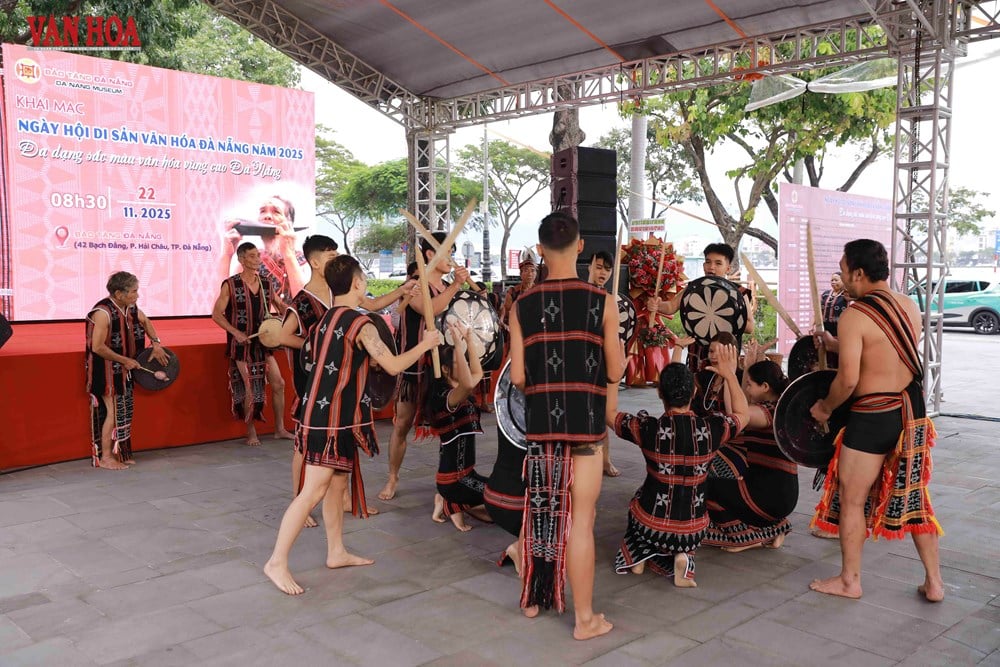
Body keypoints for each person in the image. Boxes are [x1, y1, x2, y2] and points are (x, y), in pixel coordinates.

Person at [263, 256, 442, 596]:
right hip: (329, 421)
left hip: (328, 416)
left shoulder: (327, 319)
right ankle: (276, 561)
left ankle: (336, 551)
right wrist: (425, 344)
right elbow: (391, 366)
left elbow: (364, 324)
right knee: (312, 491)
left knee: (337, 486)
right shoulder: (362, 325)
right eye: (365, 281)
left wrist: (401, 293)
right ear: (358, 283)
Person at [808, 239, 944, 602]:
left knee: (852, 499)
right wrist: (834, 343)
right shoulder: (908, 305)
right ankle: (934, 582)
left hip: (873, 416)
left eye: (842, 270)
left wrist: (824, 407)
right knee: (915, 497)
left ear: (858, 272)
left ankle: (850, 581)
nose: (841, 277)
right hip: (911, 413)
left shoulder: (855, 314)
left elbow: (848, 380)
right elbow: (883, 348)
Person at [509, 211, 623, 640]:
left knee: (541, 513)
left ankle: (536, 598)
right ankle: (585, 619)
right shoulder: (602, 301)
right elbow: (614, 371)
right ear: (579, 247)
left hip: (541, 429)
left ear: (539, 250)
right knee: (580, 521)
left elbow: (518, 378)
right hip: (586, 431)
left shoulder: (522, 304)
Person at [280, 236, 416, 524]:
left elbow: (374, 304)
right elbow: (281, 335)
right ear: (315, 263)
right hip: (312, 381)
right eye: (329, 256)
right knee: (305, 445)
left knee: (343, 437)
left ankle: (342, 498)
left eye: (336, 255)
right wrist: (314, 345)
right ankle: (298, 501)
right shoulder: (304, 300)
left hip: (342, 384)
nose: (335, 260)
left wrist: (402, 290)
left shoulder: (340, 296)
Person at [606, 348, 748, 586]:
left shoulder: (647, 428)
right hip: (693, 528)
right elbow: (743, 413)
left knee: (638, 500)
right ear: (694, 392)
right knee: (686, 511)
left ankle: (640, 556)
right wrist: (730, 376)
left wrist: (614, 377)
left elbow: (609, 413)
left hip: (653, 526)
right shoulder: (712, 429)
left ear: (660, 393)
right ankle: (683, 555)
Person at [379, 232, 471, 500]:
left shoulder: (447, 286)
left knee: (450, 425)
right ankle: (392, 478)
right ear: (430, 255)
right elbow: (430, 310)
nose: (451, 259)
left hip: (445, 367)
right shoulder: (415, 285)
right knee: (402, 424)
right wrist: (455, 286)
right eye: (447, 253)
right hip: (414, 365)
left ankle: (448, 484)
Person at [703, 357, 797, 552]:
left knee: (703, 487)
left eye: (749, 384)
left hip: (766, 497)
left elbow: (738, 413)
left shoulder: (768, 414)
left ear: (764, 386)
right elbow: (741, 408)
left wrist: (730, 376)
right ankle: (775, 527)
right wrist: (745, 370)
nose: (746, 389)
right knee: (723, 485)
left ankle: (746, 537)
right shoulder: (782, 407)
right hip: (781, 496)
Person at [212, 242, 294, 446]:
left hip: (264, 342)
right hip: (242, 344)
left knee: (279, 383)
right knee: (250, 387)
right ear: (241, 260)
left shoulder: (266, 282)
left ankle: (279, 429)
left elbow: (279, 304)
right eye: (252, 256)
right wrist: (235, 332)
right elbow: (216, 314)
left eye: (258, 255)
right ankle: (251, 433)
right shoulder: (230, 284)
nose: (258, 259)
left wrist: (293, 313)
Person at [86, 272, 169, 470]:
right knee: (112, 412)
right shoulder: (102, 312)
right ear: (118, 293)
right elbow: (97, 347)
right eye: (133, 291)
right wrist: (125, 360)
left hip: (125, 368)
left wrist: (156, 344)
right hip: (105, 370)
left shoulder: (130, 308)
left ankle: (120, 454)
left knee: (124, 411)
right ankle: (105, 457)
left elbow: (146, 321)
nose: (137, 295)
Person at [648, 242, 755, 373]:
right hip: (698, 351)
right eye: (708, 262)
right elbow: (671, 307)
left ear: (728, 268)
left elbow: (750, 327)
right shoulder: (694, 287)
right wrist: (657, 305)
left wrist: (724, 317)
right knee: (697, 387)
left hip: (725, 352)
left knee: (722, 388)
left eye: (718, 263)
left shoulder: (739, 292)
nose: (711, 267)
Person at [428, 322, 491, 532]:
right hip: (455, 480)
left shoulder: (458, 392)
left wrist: (468, 339)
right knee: (503, 499)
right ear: (445, 369)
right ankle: (450, 503)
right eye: (458, 361)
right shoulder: (447, 397)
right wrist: (456, 341)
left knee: (501, 500)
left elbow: (477, 374)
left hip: (467, 475)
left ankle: (448, 502)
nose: (463, 362)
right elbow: (468, 383)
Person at [219, 195, 306, 314]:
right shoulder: (248, 261)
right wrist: (226, 255)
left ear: (289, 223)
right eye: (262, 211)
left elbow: (305, 306)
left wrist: (289, 255)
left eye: (276, 212)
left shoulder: (305, 261)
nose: (267, 216)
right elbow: (222, 308)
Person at [587, 250, 621, 478]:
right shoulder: (579, 294)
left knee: (603, 411)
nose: (603, 273)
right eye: (598, 267)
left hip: (601, 361)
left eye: (607, 269)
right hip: (580, 362)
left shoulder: (610, 300)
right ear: (589, 265)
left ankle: (605, 459)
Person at [692, 332, 741, 417]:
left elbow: (733, 417)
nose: (713, 356)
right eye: (711, 351)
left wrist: (729, 376)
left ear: (732, 353)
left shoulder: (741, 378)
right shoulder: (703, 376)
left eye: (720, 352)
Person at [821, 271, 849, 337]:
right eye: (832, 280)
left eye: (836, 280)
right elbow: (819, 310)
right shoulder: (825, 294)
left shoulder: (847, 295)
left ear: (843, 281)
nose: (833, 282)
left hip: (840, 328)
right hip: (825, 327)